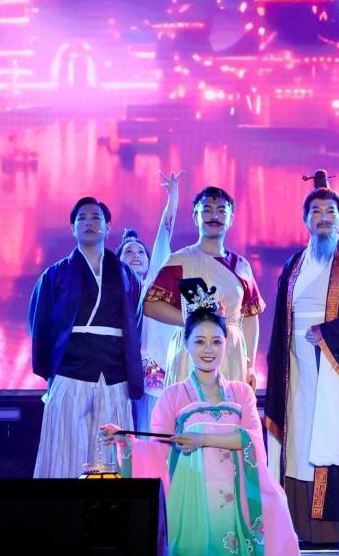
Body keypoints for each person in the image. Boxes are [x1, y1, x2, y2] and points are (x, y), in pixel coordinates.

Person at [101, 280, 300, 556]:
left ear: (226, 344)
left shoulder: (241, 392)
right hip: (193, 496)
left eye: (216, 341)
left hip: (237, 496)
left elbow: (252, 441)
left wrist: (202, 438)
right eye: (200, 341)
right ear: (186, 344)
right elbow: (158, 450)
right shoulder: (172, 396)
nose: (209, 350)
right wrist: (126, 440)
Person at [263, 170, 339, 553]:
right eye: (315, 212)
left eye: (331, 211)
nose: (324, 218)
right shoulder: (293, 265)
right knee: (300, 443)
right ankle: (305, 530)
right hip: (298, 370)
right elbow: (281, 323)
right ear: (305, 220)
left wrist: (327, 335)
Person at [29, 196, 144, 478]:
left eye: (96, 218)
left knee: (110, 455)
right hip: (70, 373)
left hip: (114, 374)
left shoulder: (127, 275)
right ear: (72, 228)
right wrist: (52, 369)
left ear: (108, 226)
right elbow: (40, 323)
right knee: (66, 449)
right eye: (82, 218)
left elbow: (135, 322)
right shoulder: (54, 275)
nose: (89, 223)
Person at [144, 184, 264, 386]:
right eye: (207, 210)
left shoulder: (241, 265)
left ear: (231, 218)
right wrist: (191, 319)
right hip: (191, 347)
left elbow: (251, 316)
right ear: (195, 216)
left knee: (228, 404)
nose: (214, 216)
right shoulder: (180, 260)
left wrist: (250, 364)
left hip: (231, 350)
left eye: (221, 211)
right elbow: (150, 306)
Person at [118, 171, 184, 430]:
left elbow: (164, 235)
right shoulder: (114, 293)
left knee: (153, 438)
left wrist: (172, 199)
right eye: (128, 251)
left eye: (140, 252)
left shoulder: (154, 285)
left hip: (155, 378)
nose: (135, 255)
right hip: (122, 380)